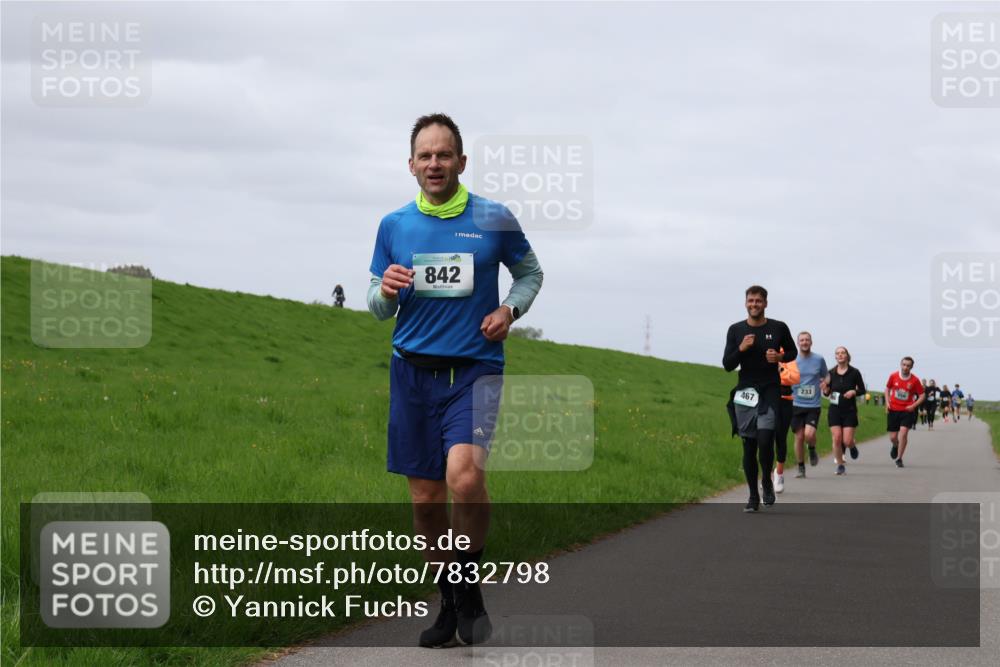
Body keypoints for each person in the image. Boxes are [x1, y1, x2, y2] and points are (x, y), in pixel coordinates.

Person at [367, 113, 544, 647]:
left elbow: (531, 272)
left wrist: (510, 310)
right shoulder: (394, 225)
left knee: (464, 478)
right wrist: (388, 292)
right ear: (411, 165)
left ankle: (465, 590)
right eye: (425, 156)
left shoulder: (493, 218)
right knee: (424, 500)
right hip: (411, 374)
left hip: (473, 369)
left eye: (444, 155)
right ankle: (455, 601)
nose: (435, 163)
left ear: (461, 162)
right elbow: (375, 303)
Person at [724, 285, 796, 512]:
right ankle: (753, 496)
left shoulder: (778, 327)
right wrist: (742, 349)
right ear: (745, 303)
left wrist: (780, 356)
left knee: (766, 440)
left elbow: (792, 352)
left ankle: (766, 480)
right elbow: (728, 364)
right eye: (750, 301)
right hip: (745, 392)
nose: (754, 304)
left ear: (765, 303)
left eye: (758, 301)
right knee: (749, 446)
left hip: (770, 390)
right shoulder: (736, 330)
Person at [790, 332, 828, 478]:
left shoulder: (818, 359)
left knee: (809, 434)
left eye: (807, 340)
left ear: (811, 342)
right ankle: (801, 467)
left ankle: (812, 449)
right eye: (802, 340)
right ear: (798, 343)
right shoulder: (792, 359)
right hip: (795, 403)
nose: (804, 342)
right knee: (799, 437)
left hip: (813, 404)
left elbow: (826, 374)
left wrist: (826, 382)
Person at [823, 346, 866, 475]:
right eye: (838, 353)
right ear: (835, 357)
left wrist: (854, 391)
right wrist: (825, 390)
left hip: (849, 410)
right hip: (834, 409)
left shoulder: (854, 372)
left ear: (847, 356)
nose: (840, 355)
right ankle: (840, 465)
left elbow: (862, 390)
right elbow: (827, 392)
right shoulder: (830, 373)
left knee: (846, 441)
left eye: (843, 353)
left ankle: (852, 446)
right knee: (837, 438)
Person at [885, 356, 925, 468]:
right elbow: (887, 389)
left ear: (911, 367)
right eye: (904, 365)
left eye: (908, 365)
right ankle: (895, 445)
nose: (905, 367)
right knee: (893, 437)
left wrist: (914, 405)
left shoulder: (915, 380)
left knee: (903, 433)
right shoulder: (893, 376)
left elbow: (922, 395)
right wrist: (887, 402)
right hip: (893, 409)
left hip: (907, 411)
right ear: (901, 364)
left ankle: (899, 458)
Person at [773, 353, 800, 493]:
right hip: (766, 401)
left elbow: (795, 377)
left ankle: (779, 474)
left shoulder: (787, 355)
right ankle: (766, 476)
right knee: (764, 438)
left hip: (785, 402)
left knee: (780, 438)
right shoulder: (762, 349)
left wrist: (781, 371)